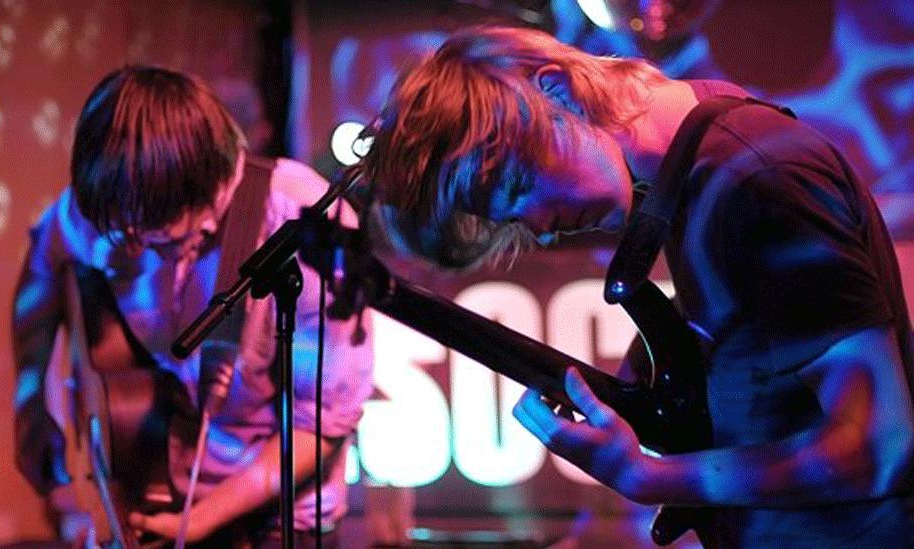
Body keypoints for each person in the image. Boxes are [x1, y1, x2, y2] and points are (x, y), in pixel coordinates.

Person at [352, 25, 914, 547]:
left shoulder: (755, 177)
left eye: (520, 183)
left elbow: (879, 447)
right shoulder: (699, 168)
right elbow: (765, 330)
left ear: (557, 91)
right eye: (512, 219)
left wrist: (653, 476)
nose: (541, 226)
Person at [12, 66, 372, 548]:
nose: (128, 246)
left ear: (202, 199)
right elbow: (41, 267)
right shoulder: (113, 206)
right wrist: (30, 403)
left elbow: (321, 424)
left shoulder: (303, 225)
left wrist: (203, 520)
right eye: (121, 232)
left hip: (277, 516)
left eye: (152, 237)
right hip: (154, 492)